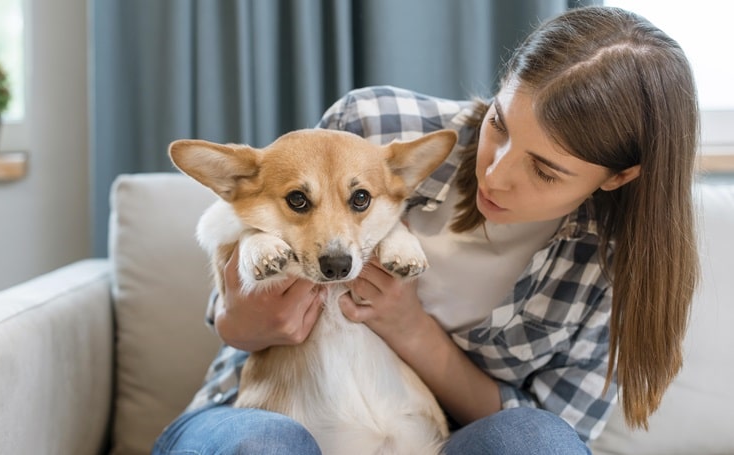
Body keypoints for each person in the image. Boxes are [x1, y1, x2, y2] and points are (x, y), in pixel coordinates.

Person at [153, 5, 699, 454]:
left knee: (537, 444)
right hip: (259, 413)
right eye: (499, 125)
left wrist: (411, 328)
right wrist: (241, 319)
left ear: (619, 177)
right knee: (265, 444)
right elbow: (253, 237)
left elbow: (558, 428)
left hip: (424, 434)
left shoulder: (615, 265)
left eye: (544, 169)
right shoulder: (376, 127)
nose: (496, 173)